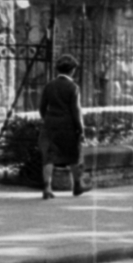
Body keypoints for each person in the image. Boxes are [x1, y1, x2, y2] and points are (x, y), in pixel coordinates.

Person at [37, 55, 85, 198]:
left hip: (50, 125)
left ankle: (47, 188)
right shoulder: (73, 87)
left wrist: (48, 119)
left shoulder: (49, 85)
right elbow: (76, 110)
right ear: (72, 70)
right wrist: (81, 129)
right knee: (73, 156)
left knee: (49, 157)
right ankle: (77, 186)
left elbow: (42, 107)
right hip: (68, 126)